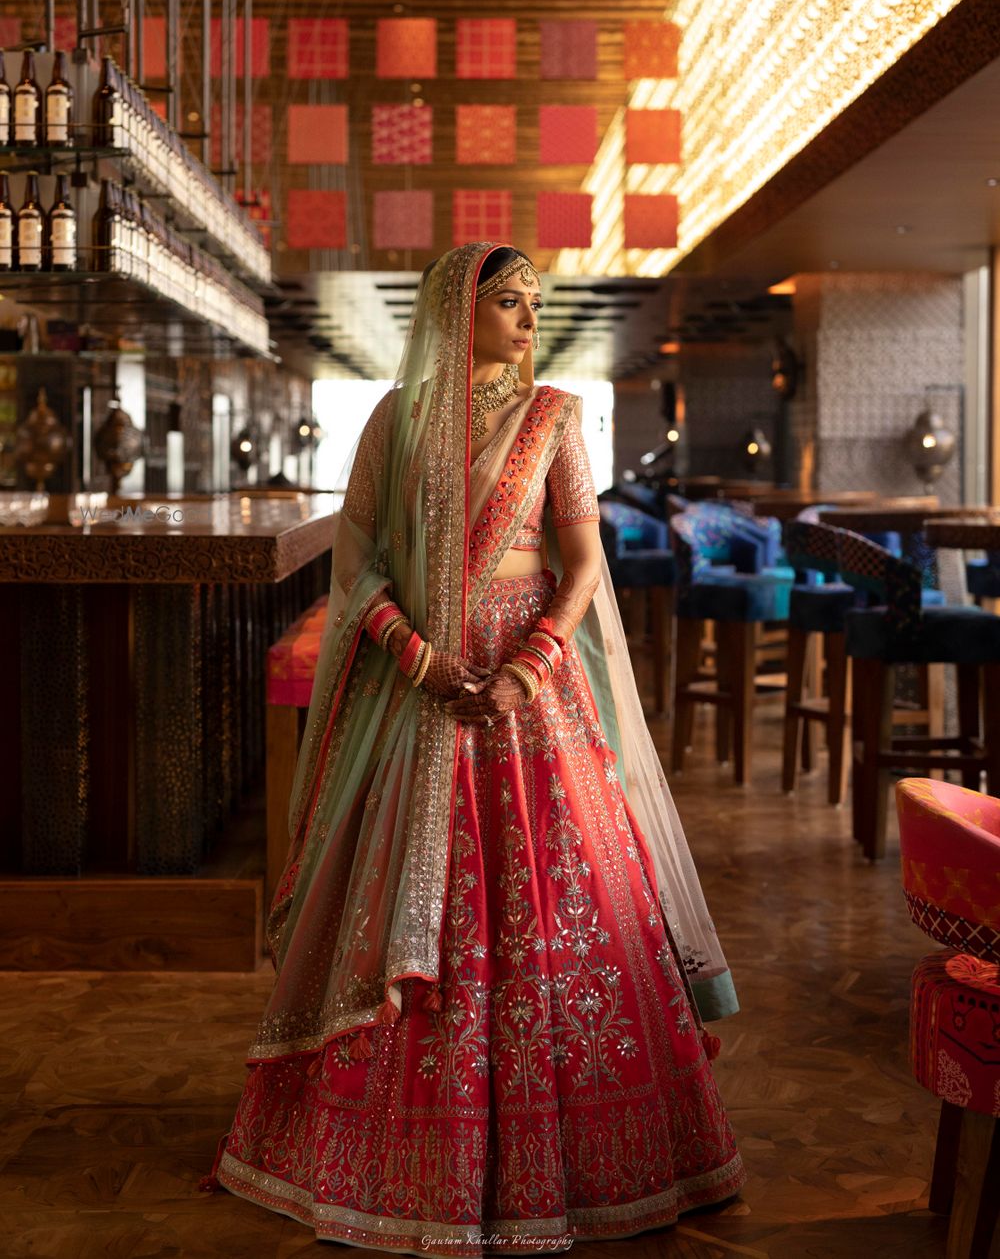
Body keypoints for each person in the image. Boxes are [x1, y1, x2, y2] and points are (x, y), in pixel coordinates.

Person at [201, 241, 744, 1253]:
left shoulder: (553, 420)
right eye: (509, 301)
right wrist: (418, 659)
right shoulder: (395, 421)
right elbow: (358, 564)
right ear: (458, 311)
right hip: (424, 693)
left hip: (532, 694)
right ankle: (389, 1157)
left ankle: (587, 1155)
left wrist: (528, 667)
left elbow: (580, 564)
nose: (529, 317)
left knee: (563, 898)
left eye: (537, 301)